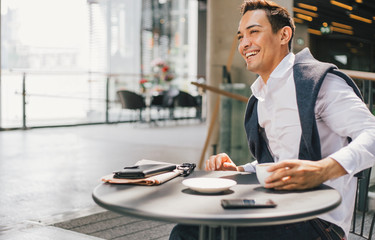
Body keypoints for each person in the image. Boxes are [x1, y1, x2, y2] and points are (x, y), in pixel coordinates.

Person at [169, 0, 375, 239]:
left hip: (319, 222)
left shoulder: (320, 84)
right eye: (240, 36)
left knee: (193, 234)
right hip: (277, 205)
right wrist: (240, 169)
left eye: (254, 32)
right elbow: (281, 161)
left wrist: (324, 169)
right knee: (192, 228)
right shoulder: (260, 97)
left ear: (283, 35)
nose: (245, 43)